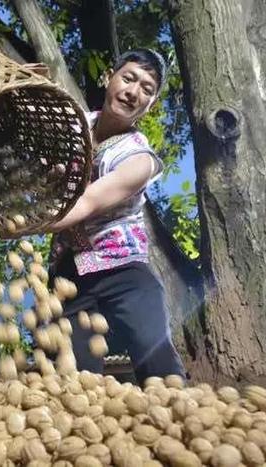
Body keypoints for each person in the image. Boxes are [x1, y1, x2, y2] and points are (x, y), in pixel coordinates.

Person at [46, 49, 185, 384]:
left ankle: (181, 423)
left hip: (122, 269)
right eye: (129, 78)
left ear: (150, 104)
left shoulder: (139, 159)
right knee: (72, 383)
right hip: (69, 278)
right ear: (109, 76)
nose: (134, 91)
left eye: (147, 89)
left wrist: (26, 223)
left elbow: (87, 202)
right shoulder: (74, 125)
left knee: (160, 367)